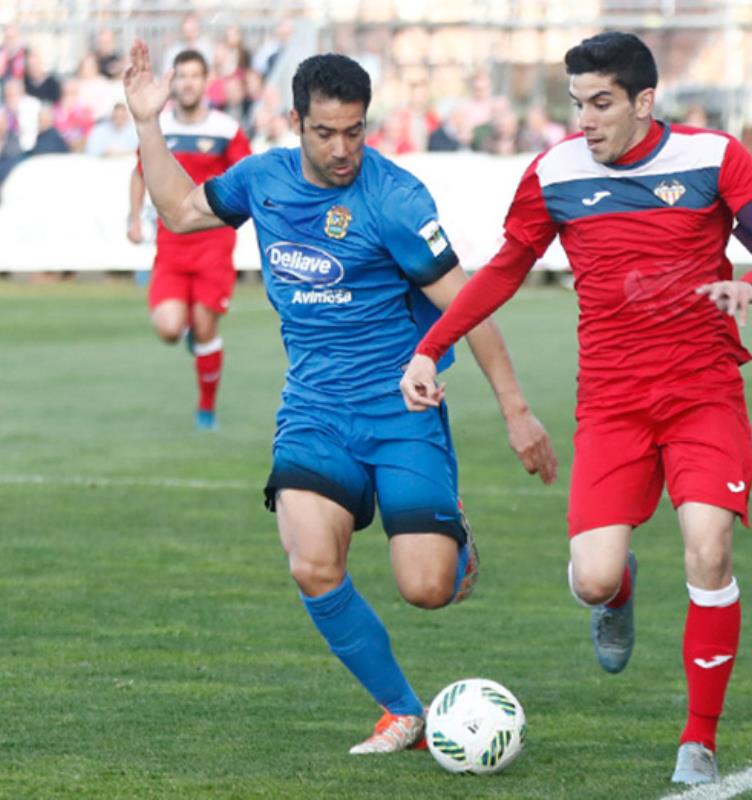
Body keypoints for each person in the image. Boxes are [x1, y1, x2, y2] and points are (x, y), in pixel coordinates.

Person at [398, 31, 752, 785]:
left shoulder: (712, 159)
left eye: (600, 104)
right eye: (577, 104)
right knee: (592, 577)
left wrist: (751, 282)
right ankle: (617, 592)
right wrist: (430, 347)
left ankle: (699, 740)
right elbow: (502, 272)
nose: (584, 121)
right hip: (613, 403)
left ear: (644, 101)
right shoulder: (554, 173)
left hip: (703, 392)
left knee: (709, 549)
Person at [123, 39, 557, 754]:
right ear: (296, 122)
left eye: (354, 131)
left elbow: (470, 306)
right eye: (325, 132)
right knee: (311, 563)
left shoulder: (394, 199)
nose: (342, 149)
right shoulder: (262, 180)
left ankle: (455, 543)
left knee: (426, 587)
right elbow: (178, 211)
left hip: (400, 408)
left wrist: (516, 411)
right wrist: (147, 122)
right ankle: (402, 712)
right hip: (315, 409)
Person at [126, 50, 251, 430]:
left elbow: (246, 176)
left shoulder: (226, 129)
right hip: (171, 246)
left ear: (205, 81)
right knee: (168, 328)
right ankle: (191, 336)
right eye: (181, 76)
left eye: (195, 75)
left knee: (204, 325)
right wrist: (134, 216)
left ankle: (206, 409)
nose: (188, 83)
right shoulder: (159, 126)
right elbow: (141, 171)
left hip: (214, 245)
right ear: (173, 82)